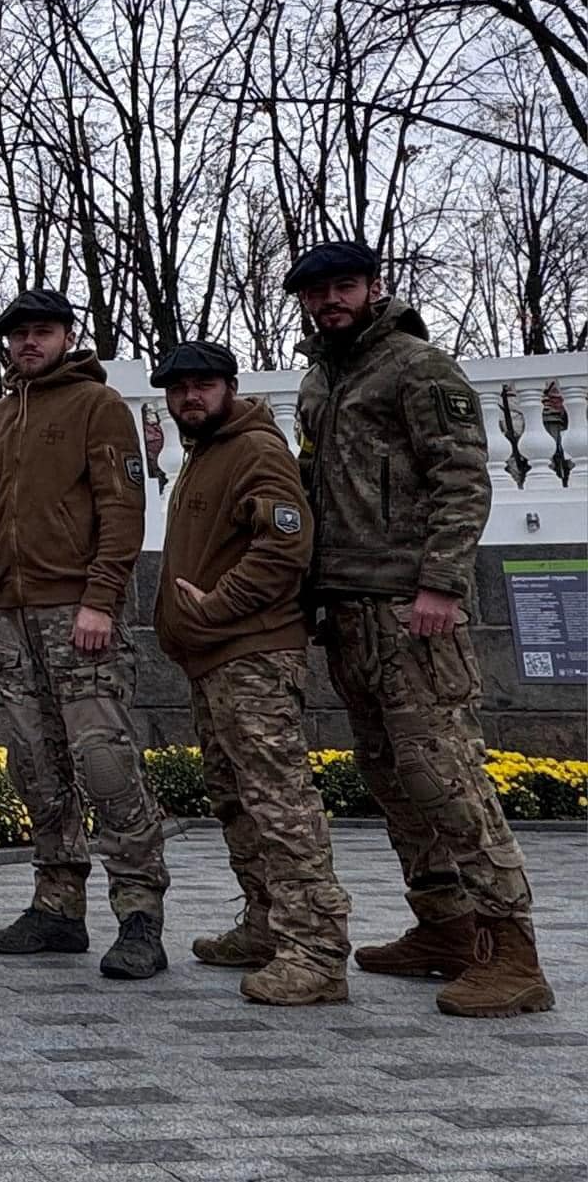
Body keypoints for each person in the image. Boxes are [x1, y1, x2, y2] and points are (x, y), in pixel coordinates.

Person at [289, 240, 553, 1017]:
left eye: (344, 285)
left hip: (412, 610)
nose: (331, 299)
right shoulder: (319, 378)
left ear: (374, 287)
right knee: (392, 779)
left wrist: (441, 582)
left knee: (446, 776)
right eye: (317, 290)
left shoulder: (417, 366)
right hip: (348, 610)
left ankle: (514, 953)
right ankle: (444, 925)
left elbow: (463, 475)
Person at [0, 288, 170, 981]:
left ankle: (140, 911)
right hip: (14, 615)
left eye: (43, 331)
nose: (30, 342)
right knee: (35, 764)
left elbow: (122, 506)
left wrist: (102, 599)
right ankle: (58, 905)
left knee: (105, 763)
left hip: (78, 612)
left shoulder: (99, 406)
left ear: (66, 335)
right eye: (19, 333)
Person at [151, 340, 351, 1005]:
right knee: (236, 796)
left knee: (280, 803)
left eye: (202, 385)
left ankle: (317, 950)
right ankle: (266, 923)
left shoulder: (256, 448)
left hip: (253, 655)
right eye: (178, 389)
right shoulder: (209, 451)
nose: (189, 397)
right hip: (215, 658)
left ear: (229, 386)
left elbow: (285, 545)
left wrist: (217, 605)